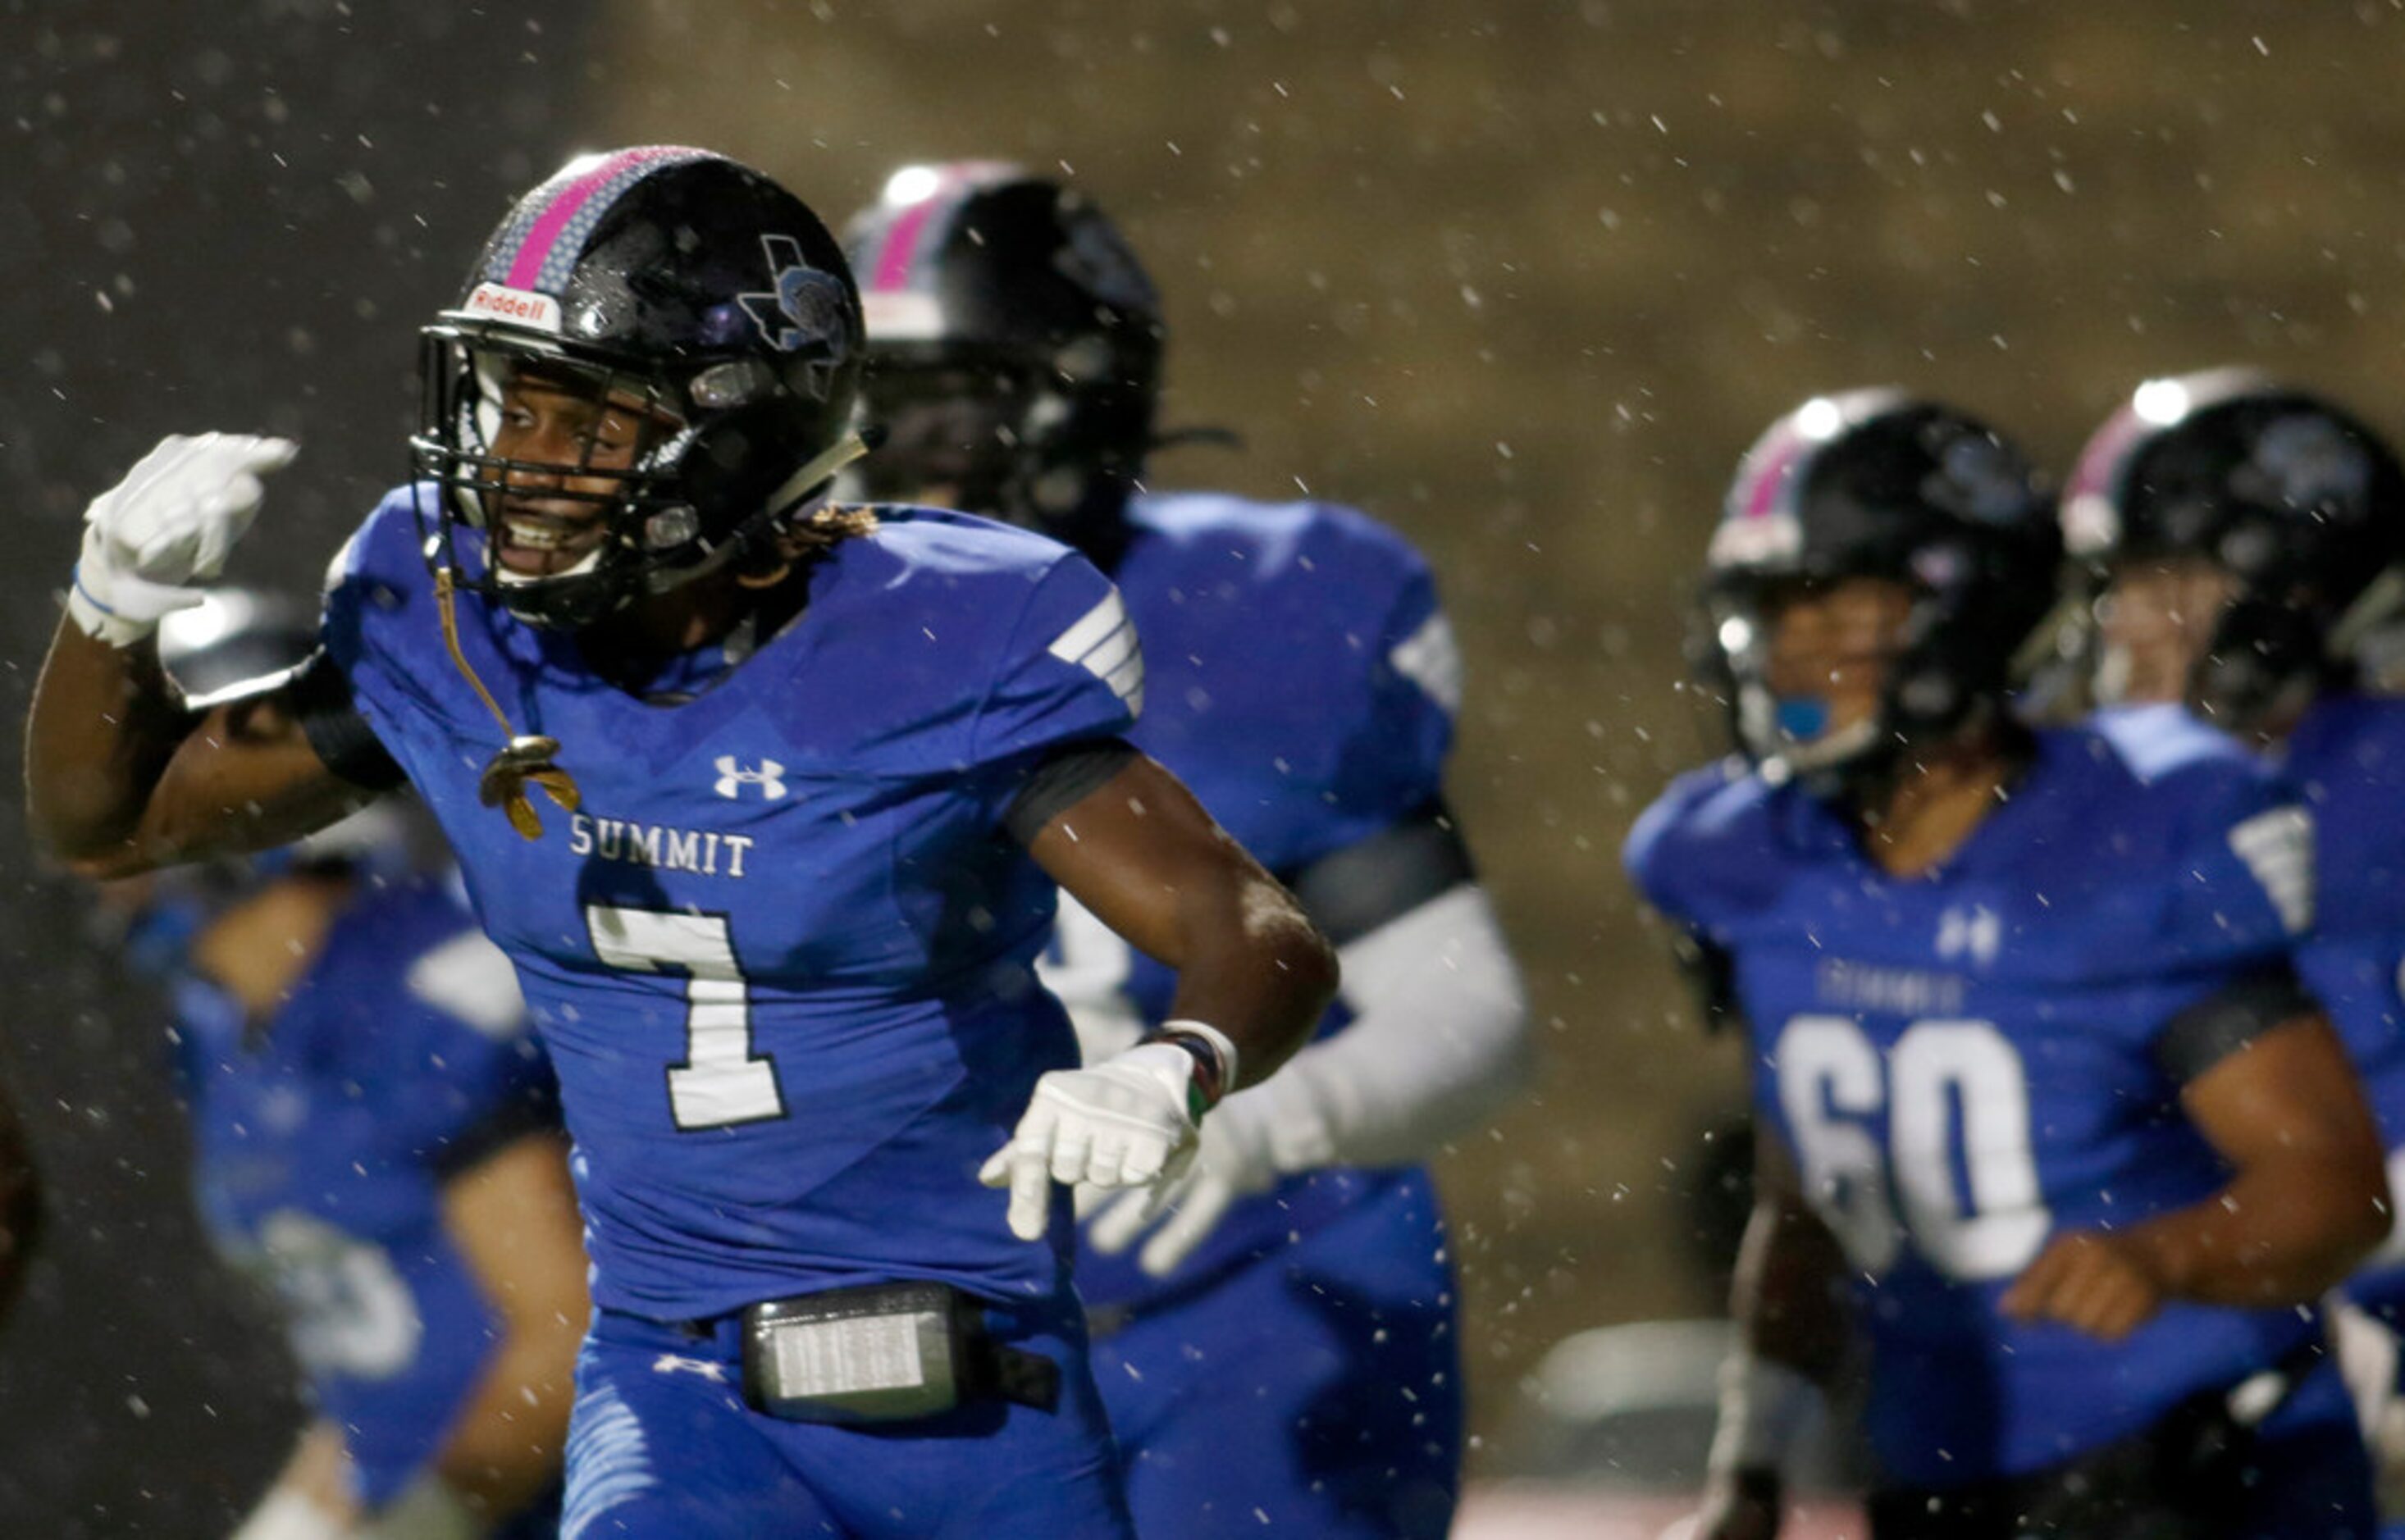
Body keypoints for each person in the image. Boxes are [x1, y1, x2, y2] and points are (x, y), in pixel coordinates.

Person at [25, 146, 1337, 1540]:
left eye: (578, 422)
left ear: (733, 435)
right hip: (677, 1383)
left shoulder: (937, 641)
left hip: (974, 1387)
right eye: (504, 402)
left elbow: (1250, 928)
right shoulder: (451, 620)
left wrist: (1172, 1065)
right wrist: (107, 607)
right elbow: (109, 817)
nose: (515, 463)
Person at [842, 162, 1531, 1539]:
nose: (900, 443)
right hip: (929, 1317)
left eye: (949, 397)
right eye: (874, 399)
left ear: (1077, 393)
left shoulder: (1268, 612)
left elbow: (1472, 1014)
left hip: (1250, 1292)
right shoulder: (802, 625)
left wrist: (1254, 1123)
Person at [1625, 389, 2390, 1539]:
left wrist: (2165, 1252)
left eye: (1844, 609)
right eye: (1779, 611)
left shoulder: (2139, 838)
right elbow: (1809, 1197)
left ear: (1960, 610)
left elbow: (2333, 1184)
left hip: (2198, 1455)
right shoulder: (1738, 859)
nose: (1796, 651)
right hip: (1943, 1470)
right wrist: (1753, 1458)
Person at [89, 590, 581, 1540]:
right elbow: (382, 1355)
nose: (105, 846)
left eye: (145, 794)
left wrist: (422, 1524)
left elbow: (568, 1339)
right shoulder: (222, 1026)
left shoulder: (422, 993)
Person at [2060, 367, 2405, 1533]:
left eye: (2168, 581)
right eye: (2117, 585)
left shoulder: (2365, 786)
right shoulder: (2156, 802)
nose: (2126, 622)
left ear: (2295, 588)